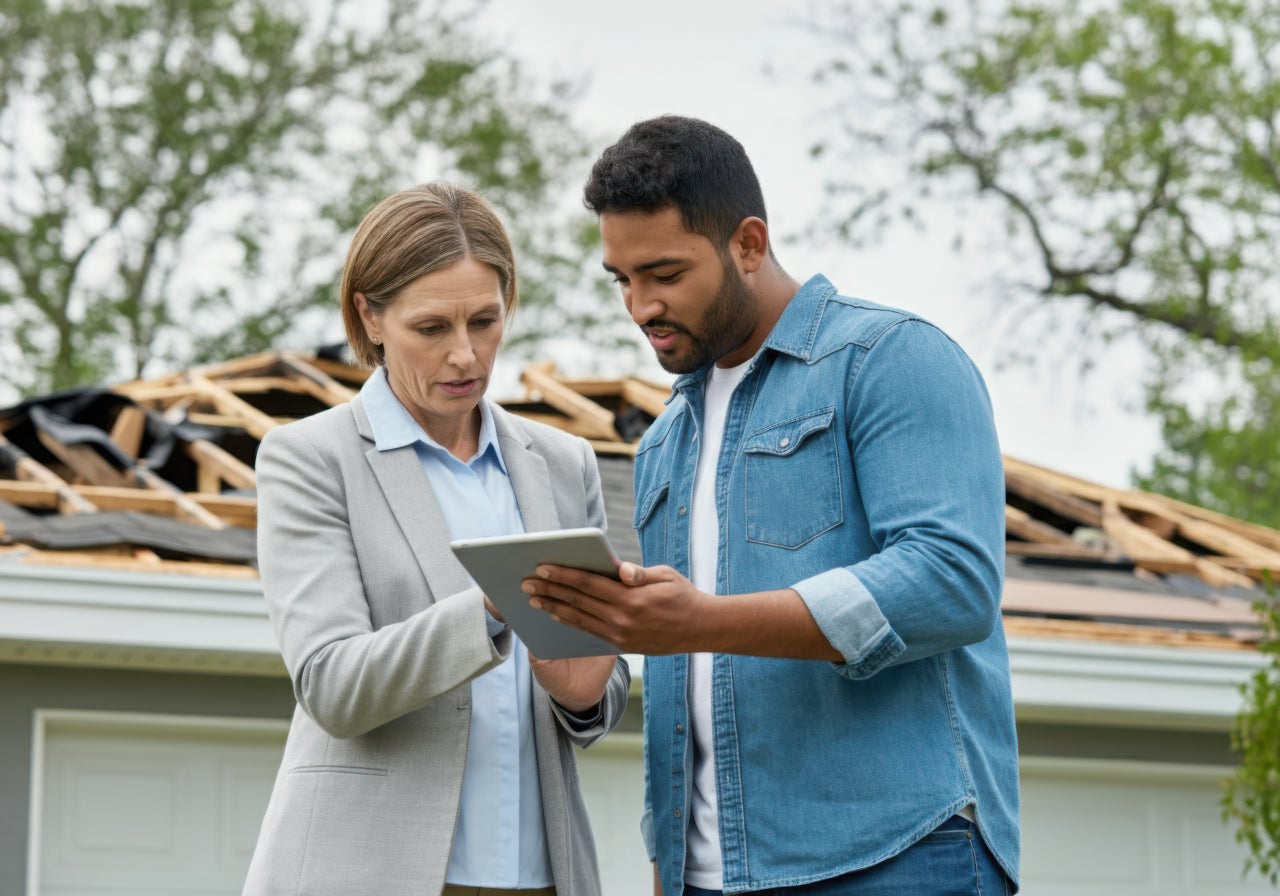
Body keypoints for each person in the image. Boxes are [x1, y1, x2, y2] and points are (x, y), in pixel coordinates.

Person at [522, 116, 1020, 895]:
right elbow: (679, 690)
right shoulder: (662, 444)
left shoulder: (890, 361)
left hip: (895, 858)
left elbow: (951, 583)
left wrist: (703, 621)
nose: (640, 306)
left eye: (663, 272)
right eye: (621, 279)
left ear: (747, 243)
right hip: (708, 878)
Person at [243, 181, 630, 896]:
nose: (466, 356)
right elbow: (331, 685)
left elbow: (592, 697)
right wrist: (491, 610)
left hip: (544, 876)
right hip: (371, 873)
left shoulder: (565, 462)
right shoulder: (310, 458)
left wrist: (584, 692)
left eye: (485, 321)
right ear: (371, 314)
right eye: (432, 328)